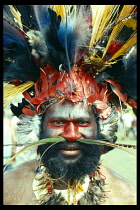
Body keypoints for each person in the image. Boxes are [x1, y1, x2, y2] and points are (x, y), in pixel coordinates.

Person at [3, 5, 137, 205]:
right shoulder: (8, 191)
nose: (71, 134)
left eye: (82, 122)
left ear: (100, 128)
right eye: (58, 122)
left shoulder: (127, 197)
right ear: (38, 126)